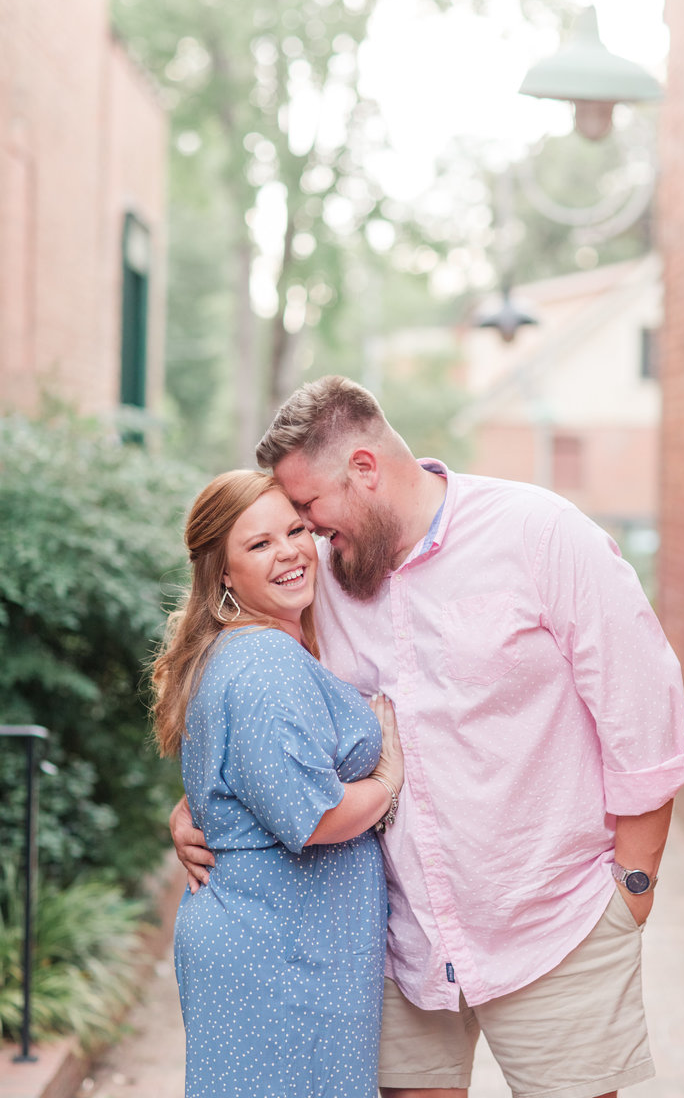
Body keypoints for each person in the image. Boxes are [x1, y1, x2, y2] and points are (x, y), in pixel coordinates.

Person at [172, 378, 684, 1098]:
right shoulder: (320, 573)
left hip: (554, 926)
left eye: (308, 509)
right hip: (397, 942)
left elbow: (642, 712)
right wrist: (205, 807)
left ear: (364, 469)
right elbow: (264, 713)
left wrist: (632, 887)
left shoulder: (540, 534)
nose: (304, 531)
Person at [152, 469, 404, 1098]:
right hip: (281, 956)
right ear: (224, 576)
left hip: (288, 946)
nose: (290, 550)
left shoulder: (255, 648)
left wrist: (191, 812)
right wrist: (387, 782)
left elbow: (242, 784)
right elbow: (313, 817)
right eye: (259, 544)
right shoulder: (264, 661)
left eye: (295, 530)